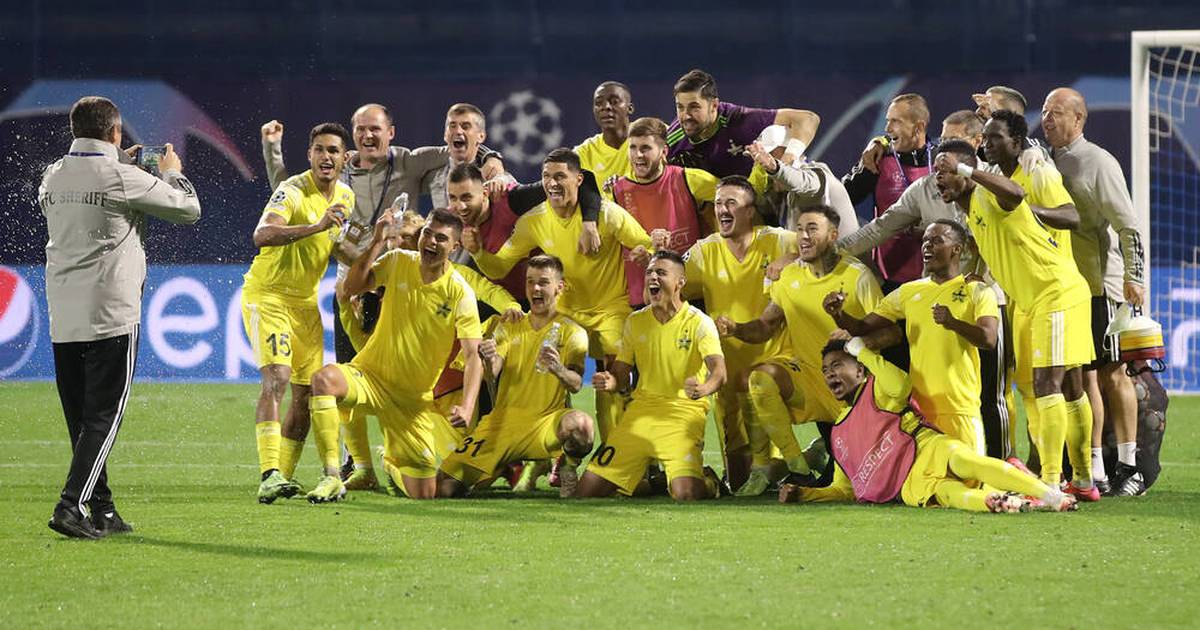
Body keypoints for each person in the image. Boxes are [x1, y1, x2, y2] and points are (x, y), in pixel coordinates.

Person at [41, 96, 201, 538]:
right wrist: (170, 171)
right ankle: (70, 506)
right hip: (111, 312)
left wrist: (120, 163)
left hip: (63, 313)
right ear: (114, 132)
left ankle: (103, 510)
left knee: (82, 420)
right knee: (104, 418)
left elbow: (80, 202)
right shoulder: (123, 177)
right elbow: (188, 209)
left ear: (75, 131)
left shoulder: (52, 175)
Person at [933, 139, 1098, 501]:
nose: (939, 177)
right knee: (1071, 387)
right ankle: (1084, 480)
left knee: (1046, 385)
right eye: (936, 172)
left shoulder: (988, 194)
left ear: (967, 170)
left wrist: (968, 169)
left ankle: (1050, 483)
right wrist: (978, 274)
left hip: (1054, 293)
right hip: (1047, 296)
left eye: (946, 169)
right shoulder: (970, 211)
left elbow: (1017, 194)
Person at [468, 148, 653, 443]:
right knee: (544, 374)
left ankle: (616, 453)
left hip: (610, 311)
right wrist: (478, 251)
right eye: (546, 177)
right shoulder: (533, 221)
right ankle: (552, 451)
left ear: (579, 180)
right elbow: (499, 267)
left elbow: (645, 245)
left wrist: (647, 254)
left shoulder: (607, 215)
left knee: (613, 382)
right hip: (565, 313)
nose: (552, 183)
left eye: (560, 176)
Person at [779, 337, 1077, 513]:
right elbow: (845, 489)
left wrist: (864, 353)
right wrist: (805, 494)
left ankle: (1051, 496)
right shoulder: (838, 433)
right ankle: (994, 502)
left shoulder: (876, 387)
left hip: (927, 448)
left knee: (969, 462)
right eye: (825, 371)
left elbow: (901, 385)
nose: (830, 374)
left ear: (859, 370)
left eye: (837, 366)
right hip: (908, 482)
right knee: (948, 495)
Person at [306, 209, 484, 500]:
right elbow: (351, 287)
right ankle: (332, 476)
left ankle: (389, 464)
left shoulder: (459, 292)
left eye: (441, 238)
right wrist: (377, 241)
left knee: (425, 494)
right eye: (428, 233)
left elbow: (473, 354)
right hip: (372, 377)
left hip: (412, 402)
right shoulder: (398, 261)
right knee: (324, 380)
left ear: (455, 247)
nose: (431, 241)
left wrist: (467, 406)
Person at [718, 205, 882, 493]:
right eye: (800, 229)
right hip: (809, 378)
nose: (803, 236)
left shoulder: (858, 277)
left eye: (812, 229)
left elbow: (884, 329)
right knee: (759, 378)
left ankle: (816, 453)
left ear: (833, 235)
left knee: (854, 484)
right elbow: (766, 325)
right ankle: (798, 467)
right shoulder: (789, 277)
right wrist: (737, 329)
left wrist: (854, 336)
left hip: (853, 388)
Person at [242, 122, 357, 504]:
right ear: (309, 155)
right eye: (319, 149)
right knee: (277, 377)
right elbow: (262, 234)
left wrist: (378, 249)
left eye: (333, 150)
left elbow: (335, 245)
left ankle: (289, 476)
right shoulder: (292, 190)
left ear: (344, 159)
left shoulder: (345, 196)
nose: (326, 156)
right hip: (269, 296)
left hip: (306, 305)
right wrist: (316, 225)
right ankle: (269, 474)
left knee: (307, 395)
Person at [1042, 87, 1148, 495]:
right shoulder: (1046, 161)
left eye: (1057, 112)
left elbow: (1128, 224)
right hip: (1067, 288)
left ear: (1078, 119)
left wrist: (1134, 276)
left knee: (1113, 373)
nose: (1047, 119)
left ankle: (1130, 466)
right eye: (1045, 112)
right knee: (1083, 376)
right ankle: (1096, 469)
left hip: (1102, 284)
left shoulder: (1098, 162)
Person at [826, 220, 999, 454]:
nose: (927, 246)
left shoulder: (976, 290)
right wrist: (838, 314)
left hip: (960, 407)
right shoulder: (908, 292)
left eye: (936, 240)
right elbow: (861, 327)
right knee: (930, 477)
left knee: (971, 473)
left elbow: (989, 339)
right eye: (925, 241)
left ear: (956, 249)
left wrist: (953, 323)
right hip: (920, 410)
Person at [438, 255, 595, 498]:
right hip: (501, 426)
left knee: (581, 426)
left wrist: (558, 369)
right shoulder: (509, 325)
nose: (535, 288)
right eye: (530, 281)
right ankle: (499, 467)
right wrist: (488, 357)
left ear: (559, 287)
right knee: (444, 487)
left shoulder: (573, 332)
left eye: (543, 282)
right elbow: (492, 374)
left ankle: (568, 466)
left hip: (545, 424)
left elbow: (575, 384)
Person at [578, 251, 726, 500]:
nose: (652, 277)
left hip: (682, 414)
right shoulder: (635, 321)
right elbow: (621, 373)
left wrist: (703, 389)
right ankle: (653, 483)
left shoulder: (700, 322)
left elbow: (719, 372)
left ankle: (709, 481)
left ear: (680, 282)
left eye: (661, 272)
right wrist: (611, 381)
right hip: (640, 414)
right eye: (649, 272)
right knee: (586, 493)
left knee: (686, 495)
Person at [682, 176, 796, 491]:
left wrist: (790, 258)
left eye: (731, 203)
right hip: (726, 369)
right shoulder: (704, 251)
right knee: (740, 482)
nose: (722, 209)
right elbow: (673, 283)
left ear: (750, 211)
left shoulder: (779, 241)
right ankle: (797, 463)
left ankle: (796, 462)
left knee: (766, 466)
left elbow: (822, 246)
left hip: (774, 362)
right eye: (718, 203)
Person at [613, 117, 718, 307]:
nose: (638, 155)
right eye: (633, 148)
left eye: (645, 148)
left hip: (690, 295)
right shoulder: (615, 191)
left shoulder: (688, 178)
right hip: (643, 300)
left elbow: (738, 194)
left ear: (664, 152)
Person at [842, 93, 934, 289]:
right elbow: (841, 198)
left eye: (896, 121)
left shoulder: (940, 159)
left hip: (935, 280)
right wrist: (879, 143)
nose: (887, 128)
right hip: (888, 280)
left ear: (918, 127)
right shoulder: (877, 160)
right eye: (887, 120)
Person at [666, 69, 820, 180]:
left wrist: (787, 162)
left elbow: (807, 119)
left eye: (694, 107)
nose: (686, 115)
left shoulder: (740, 120)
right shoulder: (673, 139)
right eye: (680, 107)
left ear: (714, 105)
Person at [745, 137, 858, 235]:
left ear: (788, 150)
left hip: (846, 252)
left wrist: (774, 168)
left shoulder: (817, 175)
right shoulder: (782, 196)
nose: (760, 166)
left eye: (770, 154)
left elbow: (804, 183)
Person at [574, 81, 635, 192]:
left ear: (629, 108)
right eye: (599, 103)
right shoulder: (584, 153)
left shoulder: (651, 134)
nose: (606, 107)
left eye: (614, 101)